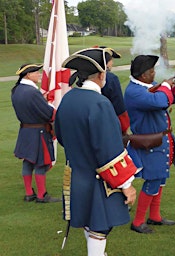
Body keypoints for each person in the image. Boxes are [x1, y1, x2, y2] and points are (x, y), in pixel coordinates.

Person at [54, 48, 138, 256]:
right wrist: (127, 185)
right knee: (100, 228)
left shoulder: (68, 98)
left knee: (89, 223)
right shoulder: (100, 103)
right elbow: (110, 150)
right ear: (101, 75)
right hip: (98, 178)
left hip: (77, 173)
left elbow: (61, 137)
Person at [124, 55, 175, 234]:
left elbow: (169, 99)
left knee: (160, 179)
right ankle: (138, 221)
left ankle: (154, 216)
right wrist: (166, 85)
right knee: (153, 180)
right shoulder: (134, 91)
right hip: (150, 142)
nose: (154, 74)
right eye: (151, 71)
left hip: (160, 140)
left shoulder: (147, 86)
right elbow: (162, 101)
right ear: (141, 75)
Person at [11, 63, 60, 203]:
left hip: (25, 130)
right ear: (28, 75)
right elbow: (48, 114)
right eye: (36, 72)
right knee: (40, 164)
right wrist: (53, 108)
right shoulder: (32, 92)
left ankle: (29, 193)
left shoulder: (17, 90)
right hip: (38, 131)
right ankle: (41, 194)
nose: (39, 74)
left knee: (27, 162)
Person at [97, 46, 130, 135]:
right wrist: (124, 126)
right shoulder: (111, 79)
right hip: (110, 124)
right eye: (111, 60)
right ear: (106, 62)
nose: (112, 63)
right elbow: (118, 106)